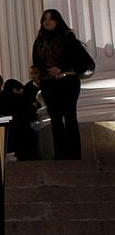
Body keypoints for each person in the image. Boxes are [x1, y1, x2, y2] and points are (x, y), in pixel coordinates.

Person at [31, 9, 93, 160]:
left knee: (70, 116)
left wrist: (62, 68)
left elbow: (79, 58)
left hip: (68, 82)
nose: (47, 21)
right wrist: (49, 70)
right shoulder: (39, 41)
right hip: (49, 84)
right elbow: (37, 62)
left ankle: (74, 154)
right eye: (45, 19)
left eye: (51, 19)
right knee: (56, 118)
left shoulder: (67, 37)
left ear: (57, 20)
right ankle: (60, 154)